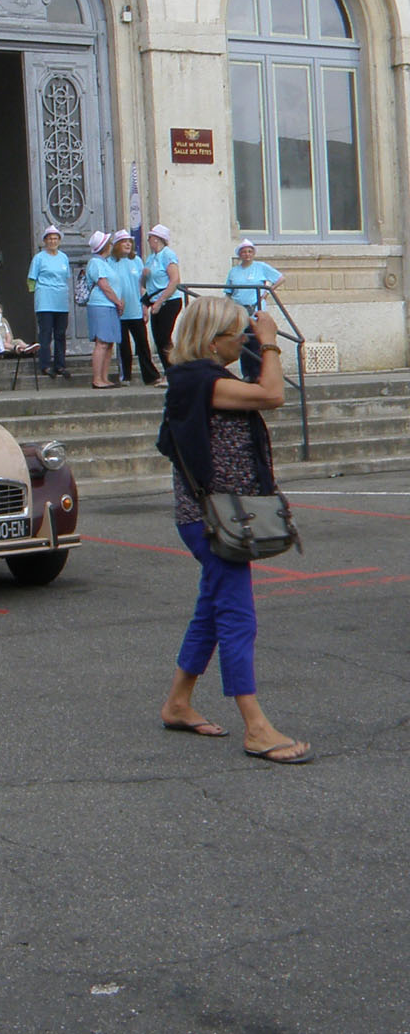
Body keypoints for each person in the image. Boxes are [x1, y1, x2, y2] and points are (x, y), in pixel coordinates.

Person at [156, 295, 312, 764]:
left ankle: (178, 703)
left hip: (224, 517)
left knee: (212, 608)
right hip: (214, 522)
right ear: (211, 340)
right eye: (237, 333)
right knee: (238, 616)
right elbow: (273, 394)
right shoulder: (200, 382)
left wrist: (256, 343)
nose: (244, 340)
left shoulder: (204, 379)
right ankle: (256, 727)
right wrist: (270, 343)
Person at [225, 239, 285, 380]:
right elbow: (228, 292)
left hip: (255, 309)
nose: (247, 254)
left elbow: (280, 278)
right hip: (240, 310)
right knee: (243, 342)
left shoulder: (261, 267)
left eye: (250, 251)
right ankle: (247, 374)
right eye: (244, 252)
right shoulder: (234, 271)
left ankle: (258, 373)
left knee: (256, 341)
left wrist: (267, 291)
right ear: (240, 254)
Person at [110, 231, 160, 386]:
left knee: (143, 344)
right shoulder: (110, 262)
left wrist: (144, 306)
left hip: (135, 308)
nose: (127, 244)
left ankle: (150, 376)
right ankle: (125, 376)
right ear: (117, 245)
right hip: (119, 310)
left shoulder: (137, 261)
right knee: (124, 346)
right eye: (124, 241)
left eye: (129, 241)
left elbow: (142, 285)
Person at [25, 225, 70, 378]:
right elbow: (31, 280)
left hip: (61, 301)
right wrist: (38, 294)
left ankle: (60, 365)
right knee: (45, 334)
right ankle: (45, 365)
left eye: (55, 238)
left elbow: (66, 277)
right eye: (50, 238)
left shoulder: (64, 257)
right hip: (45, 300)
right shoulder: (39, 258)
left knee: (60, 334)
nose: (53, 241)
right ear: (45, 241)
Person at [143, 223, 184, 368]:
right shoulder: (151, 258)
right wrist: (144, 276)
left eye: (150, 237)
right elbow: (146, 284)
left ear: (157, 239)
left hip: (169, 301)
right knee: (159, 339)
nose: (148, 240)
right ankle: (169, 370)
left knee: (164, 337)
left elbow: (175, 280)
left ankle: (174, 369)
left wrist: (160, 301)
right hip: (154, 300)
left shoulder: (167, 255)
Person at [85, 230, 122, 388]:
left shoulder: (105, 262)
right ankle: (97, 379)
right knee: (102, 342)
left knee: (109, 343)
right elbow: (104, 286)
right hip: (101, 305)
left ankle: (104, 378)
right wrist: (118, 301)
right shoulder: (96, 263)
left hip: (110, 305)